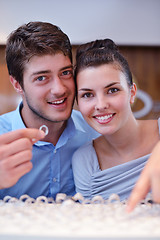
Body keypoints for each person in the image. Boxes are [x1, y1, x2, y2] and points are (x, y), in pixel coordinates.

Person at [0, 21, 99, 199]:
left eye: (65, 73)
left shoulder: (98, 131)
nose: (59, 89)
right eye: (42, 78)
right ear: (17, 84)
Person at [72, 38, 160, 205]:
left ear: (132, 92)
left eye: (112, 90)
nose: (101, 105)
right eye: (87, 95)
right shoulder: (84, 160)